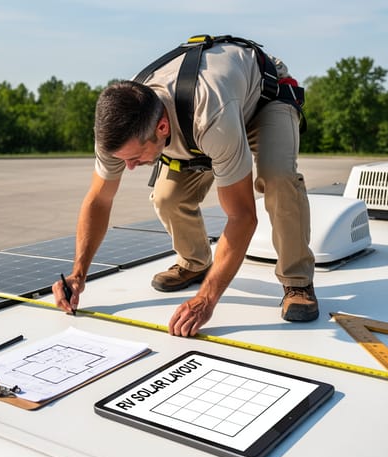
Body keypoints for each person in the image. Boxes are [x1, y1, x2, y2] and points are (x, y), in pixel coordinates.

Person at [52, 36, 317, 337]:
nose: (129, 167)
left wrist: (206, 299)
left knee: (278, 177)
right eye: (123, 159)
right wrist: (77, 274)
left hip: (264, 100)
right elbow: (99, 200)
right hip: (203, 121)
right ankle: (195, 262)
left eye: (136, 157)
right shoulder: (120, 128)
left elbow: (242, 217)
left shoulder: (210, 115)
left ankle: (297, 281)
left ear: (161, 128)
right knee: (167, 197)